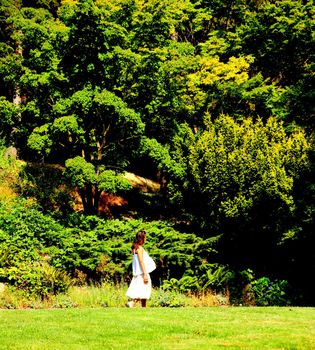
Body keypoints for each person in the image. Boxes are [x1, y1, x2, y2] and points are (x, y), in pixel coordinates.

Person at [126, 230, 156, 307]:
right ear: (141, 238)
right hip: (142, 273)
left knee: (143, 290)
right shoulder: (139, 248)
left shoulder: (134, 248)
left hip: (138, 273)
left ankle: (143, 307)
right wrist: (145, 274)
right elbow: (141, 261)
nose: (145, 239)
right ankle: (132, 303)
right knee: (142, 289)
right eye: (145, 237)